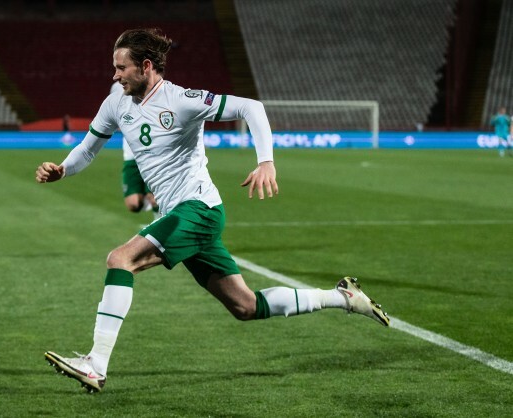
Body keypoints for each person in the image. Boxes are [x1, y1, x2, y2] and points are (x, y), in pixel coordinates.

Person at [35, 28, 390, 393]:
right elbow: (88, 148)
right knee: (246, 306)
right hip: (179, 214)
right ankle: (343, 297)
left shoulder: (182, 100)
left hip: (198, 209)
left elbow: (251, 107)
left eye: (121, 68)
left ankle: (96, 363)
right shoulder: (116, 104)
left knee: (120, 259)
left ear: (145, 66)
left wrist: (265, 161)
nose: (115, 75)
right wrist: (63, 169)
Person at [110, 81, 160, 218]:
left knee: (155, 198)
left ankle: (160, 227)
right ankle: (153, 198)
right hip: (131, 157)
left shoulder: (143, 83)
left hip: (151, 155)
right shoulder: (116, 87)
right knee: (133, 204)